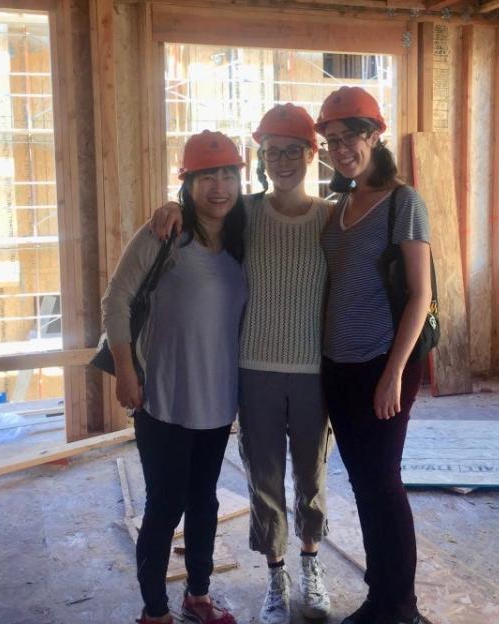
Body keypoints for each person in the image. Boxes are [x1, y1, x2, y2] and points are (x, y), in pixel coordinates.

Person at [151, 104, 332, 624]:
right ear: (262, 157)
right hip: (253, 369)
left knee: (312, 477)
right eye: (272, 151)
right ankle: (277, 579)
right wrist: (170, 206)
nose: (282, 161)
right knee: (265, 479)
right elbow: (200, 209)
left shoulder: (329, 217)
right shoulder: (245, 214)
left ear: (310, 153)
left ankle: (312, 567)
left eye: (293, 150)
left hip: (312, 372)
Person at [102, 130, 248, 624]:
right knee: (164, 505)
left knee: (204, 501)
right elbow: (115, 300)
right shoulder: (164, 234)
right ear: (189, 183)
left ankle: (199, 596)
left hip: (216, 399)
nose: (220, 186)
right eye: (207, 176)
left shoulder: (243, 236)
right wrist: (125, 371)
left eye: (228, 174)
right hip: (162, 397)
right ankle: (154, 611)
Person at [317, 87, 433, 624]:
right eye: (331, 140)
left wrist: (393, 374)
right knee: (363, 482)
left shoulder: (402, 201)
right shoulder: (337, 205)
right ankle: (379, 597)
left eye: (352, 137)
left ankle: (400, 607)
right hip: (338, 367)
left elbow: (420, 294)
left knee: (383, 482)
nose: (341, 149)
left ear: (375, 135)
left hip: (383, 365)